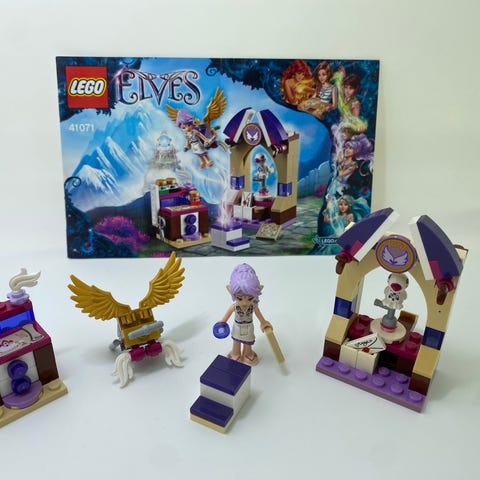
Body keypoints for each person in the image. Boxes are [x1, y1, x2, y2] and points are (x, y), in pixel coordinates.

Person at [216, 264, 272, 365]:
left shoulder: (253, 306)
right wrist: (222, 322)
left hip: (249, 326)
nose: (245, 303)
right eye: (240, 298)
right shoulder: (234, 307)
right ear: (231, 291)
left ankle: (248, 353)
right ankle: (235, 353)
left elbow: (258, 314)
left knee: (248, 342)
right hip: (237, 326)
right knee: (236, 341)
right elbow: (226, 316)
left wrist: (263, 322)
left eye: (250, 298)